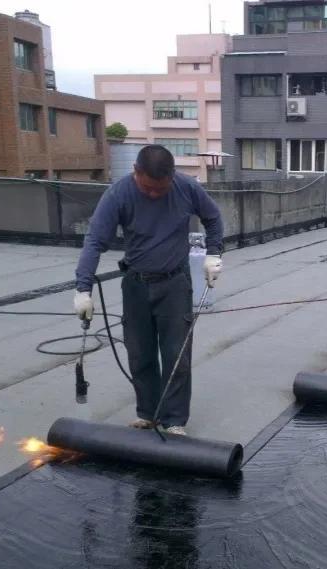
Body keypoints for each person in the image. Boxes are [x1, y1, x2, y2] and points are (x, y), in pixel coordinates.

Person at [73, 145, 223, 436]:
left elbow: (213, 218)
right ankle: (149, 413)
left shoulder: (187, 188)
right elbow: (94, 241)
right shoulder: (119, 194)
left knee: (175, 354)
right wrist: (83, 289)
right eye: (148, 188)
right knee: (139, 353)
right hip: (136, 284)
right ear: (136, 173)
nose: (154, 194)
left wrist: (213, 253)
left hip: (175, 283)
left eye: (161, 189)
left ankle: (174, 420)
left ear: (172, 177)